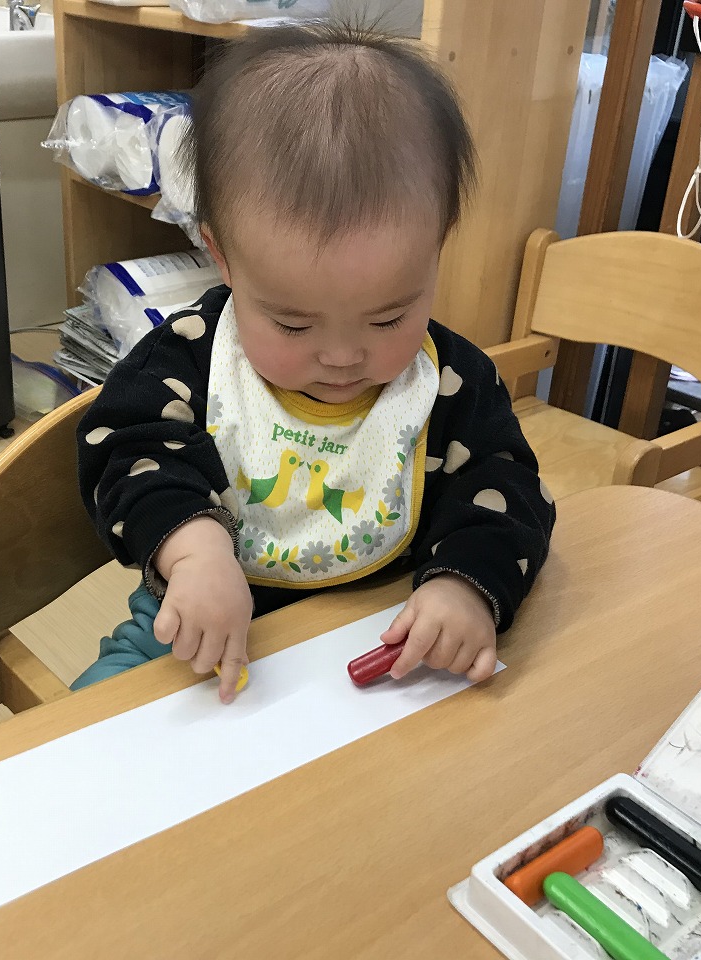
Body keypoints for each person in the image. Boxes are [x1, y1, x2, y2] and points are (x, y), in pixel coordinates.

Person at [73, 23, 556, 701]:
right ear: (223, 257)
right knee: (95, 738)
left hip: (378, 636)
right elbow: (125, 449)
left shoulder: (450, 384)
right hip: (194, 632)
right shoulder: (191, 356)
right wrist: (192, 548)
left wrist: (464, 587)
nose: (341, 356)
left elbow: (506, 490)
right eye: (293, 324)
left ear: (437, 248)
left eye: (387, 319)